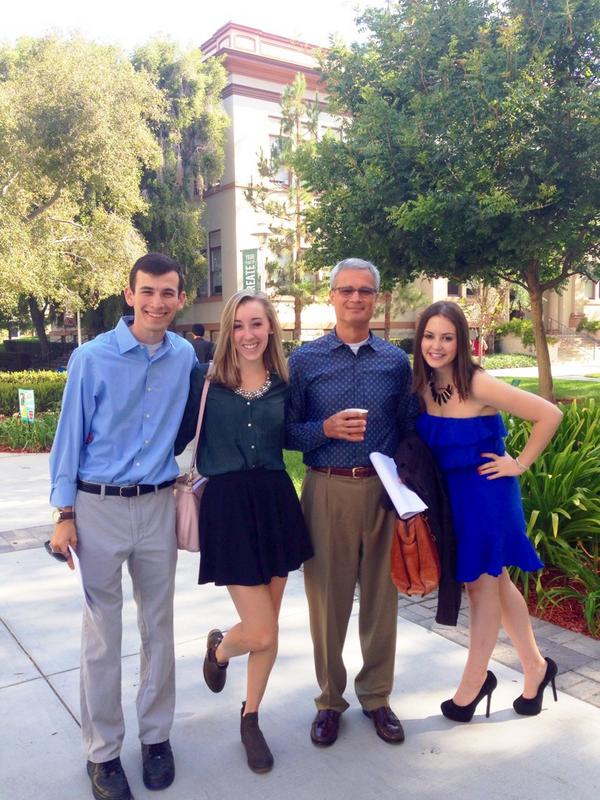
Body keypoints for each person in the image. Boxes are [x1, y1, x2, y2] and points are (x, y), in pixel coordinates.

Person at [49, 253, 196, 800]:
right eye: (149, 291)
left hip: (157, 506)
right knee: (101, 638)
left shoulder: (184, 356)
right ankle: (103, 753)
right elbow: (69, 436)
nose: (158, 302)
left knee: (158, 628)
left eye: (169, 293)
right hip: (97, 508)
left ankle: (156, 738)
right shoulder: (92, 358)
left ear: (180, 298)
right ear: (130, 294)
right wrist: (63, 514)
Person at [175, 290, 313, 774]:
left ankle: (250, 717)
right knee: (260, 629)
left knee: (269, 626)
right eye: (238, 325)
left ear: (270, 328)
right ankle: (219, 649)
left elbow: (295, 435)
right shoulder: (205, 381)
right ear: (226, 331)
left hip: (275, 502)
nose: (248, 335)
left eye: (257, 324)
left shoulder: (284, 383)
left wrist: (330, 430)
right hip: (229, 508)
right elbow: (174, 436)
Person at [286, 257, 418, 747]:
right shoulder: (304, 361)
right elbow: (286, 431)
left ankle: (377, 697)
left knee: (383, 601)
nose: (356, 298)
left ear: (376, 298)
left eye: (365, 291)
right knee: (327, 602)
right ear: (332, 296)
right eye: (347, 290)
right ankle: (328, 701)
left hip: (383, 492)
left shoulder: (395, 362)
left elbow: (408, 426)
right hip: (326, 488)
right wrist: (324, 429)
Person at [413, 301, 563, 722]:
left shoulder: (479, 384)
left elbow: (548, 414)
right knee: (496, 584)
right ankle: (535, 667)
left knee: (481, 588)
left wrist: (519, 463)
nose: (436, 345)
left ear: (461, 341)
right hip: (451, 499)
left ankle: (474, 683)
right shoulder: (422, 387)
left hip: (487, 495)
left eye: (447, 337)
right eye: (429, 336)